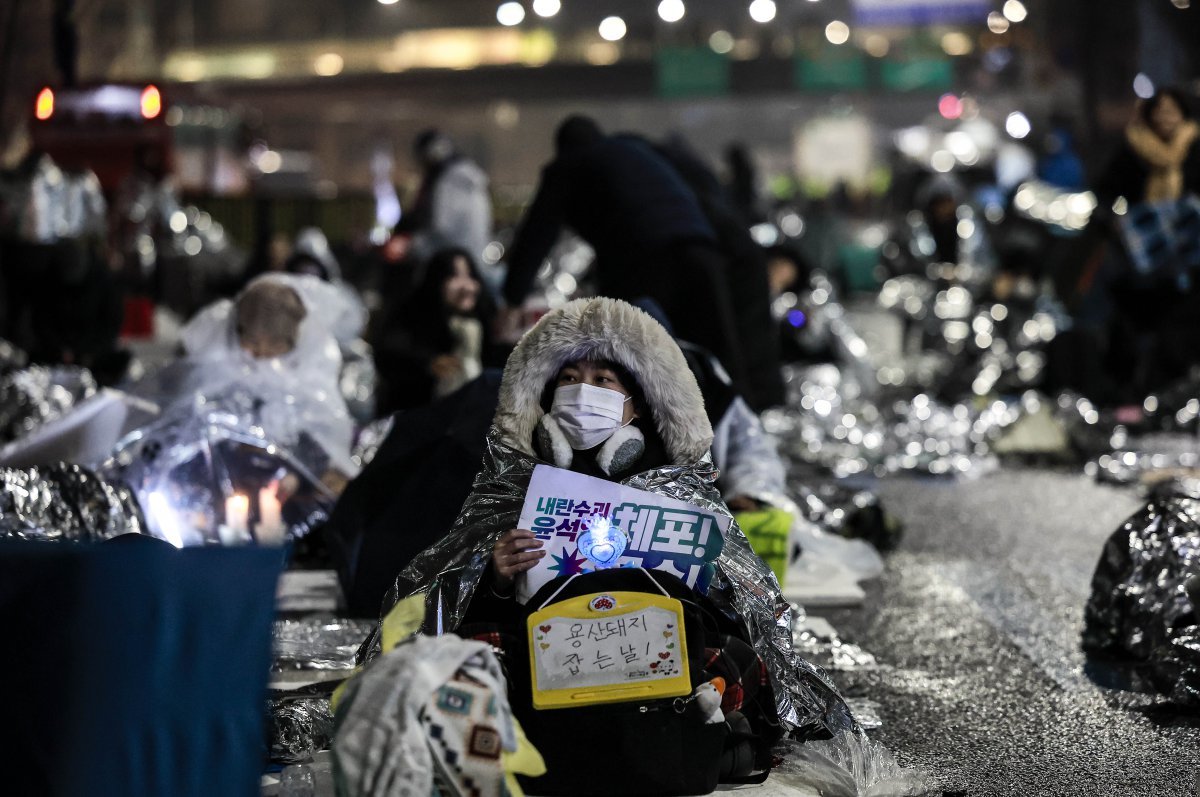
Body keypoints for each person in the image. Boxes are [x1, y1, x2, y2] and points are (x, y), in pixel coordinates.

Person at [380, 297, 853, 742]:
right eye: (567, 377)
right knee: (464, 654)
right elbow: (447, 598)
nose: (583, 390)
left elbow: (737, 606)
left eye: (603, 380)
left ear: (639, 403)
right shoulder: (517, 486)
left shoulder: (675, 488)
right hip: (542, 652)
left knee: (736, 658)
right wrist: (497, 575)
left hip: (650, 651)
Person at [501, 115, 757, 404]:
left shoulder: (570, 164)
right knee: (718, 355)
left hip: (645, 259)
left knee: (637, 361)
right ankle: (742, 431)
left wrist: (511, 297)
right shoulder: (636, 149)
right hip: (702, 249)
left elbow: (537, 234)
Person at [373, 246, 500, 414]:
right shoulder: (412, 314)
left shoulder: (486, 318)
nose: (466, 287)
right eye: (454, 276)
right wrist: (428, 363)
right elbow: (389, 355)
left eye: (469, 276)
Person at [394, 129, 493, 264]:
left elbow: (443, 230)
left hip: (453, 263)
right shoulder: (465, 179)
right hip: (469, 259)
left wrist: (412, 245)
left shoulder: (450, 182)